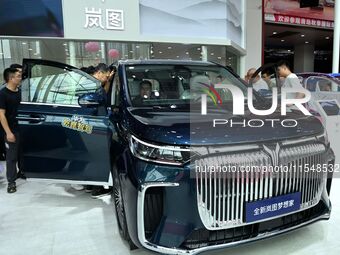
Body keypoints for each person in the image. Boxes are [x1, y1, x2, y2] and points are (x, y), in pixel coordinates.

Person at [0, 68, 22, 193]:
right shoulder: (3, 94)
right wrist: (8, 132)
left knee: (21, 154)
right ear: (11, 78)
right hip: (11, 129)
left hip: (23, 128)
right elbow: (1, 115)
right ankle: (11, 182)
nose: (20, 78)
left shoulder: (21, 92)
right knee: (11, 157)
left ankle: (22, 172)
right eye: (18, 76)